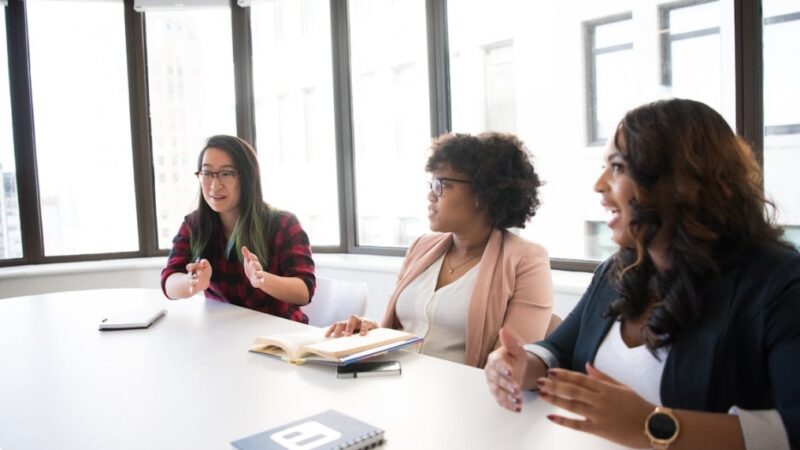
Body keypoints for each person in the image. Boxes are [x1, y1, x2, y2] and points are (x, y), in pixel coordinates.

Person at [485, 99, 799, 449]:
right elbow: (557, 350)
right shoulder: (618, 270)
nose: (599, 185)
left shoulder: (780, 283)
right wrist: (520, 364)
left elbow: (792, 430)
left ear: (683, 180)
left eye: (617, 167)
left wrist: (650, 425)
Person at [326, 132, 554, 368]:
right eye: (431, 184)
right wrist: (370, 332)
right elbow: (404, 329)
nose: (430, 195)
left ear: (483, 194)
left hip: (462, 396)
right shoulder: (421, 247)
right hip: (394, 382)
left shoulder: (526, 259)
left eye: (442, 185)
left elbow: (512, 364)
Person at [161, 135, 315, 323]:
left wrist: (262, 279)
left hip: (278, 338)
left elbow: (304, 291)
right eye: (207, 173)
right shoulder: (194, 225)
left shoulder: (283, 224)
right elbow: (169, 282)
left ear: (247, 177)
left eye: (226, 174)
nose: (215, 186)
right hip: (224, 334)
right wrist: (191, 281)